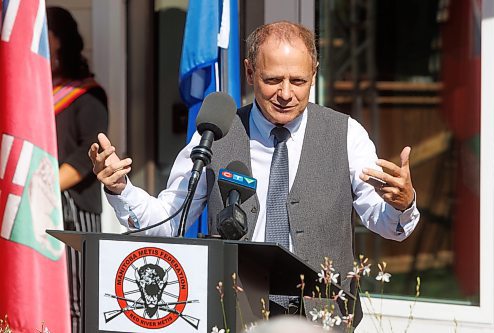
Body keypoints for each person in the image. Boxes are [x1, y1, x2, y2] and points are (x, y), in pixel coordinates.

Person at [89, 21, 419, 326]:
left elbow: (386, 223)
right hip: (236, 313)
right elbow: (169, 219)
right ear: (249, 72)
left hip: (324, 317)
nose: (286, 94)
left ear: (315, 74)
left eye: (299, 81)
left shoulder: (346, 135)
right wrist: (121, 189)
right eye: (273, 79)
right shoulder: (215, 134)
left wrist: (402, 205)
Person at [47, 6, 108, 333]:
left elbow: (87, 155)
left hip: (74, 209)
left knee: (77, 297)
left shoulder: (88, 94)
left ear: (58, 40)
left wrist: (43, 190)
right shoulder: (34, 92)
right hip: (36, 209)